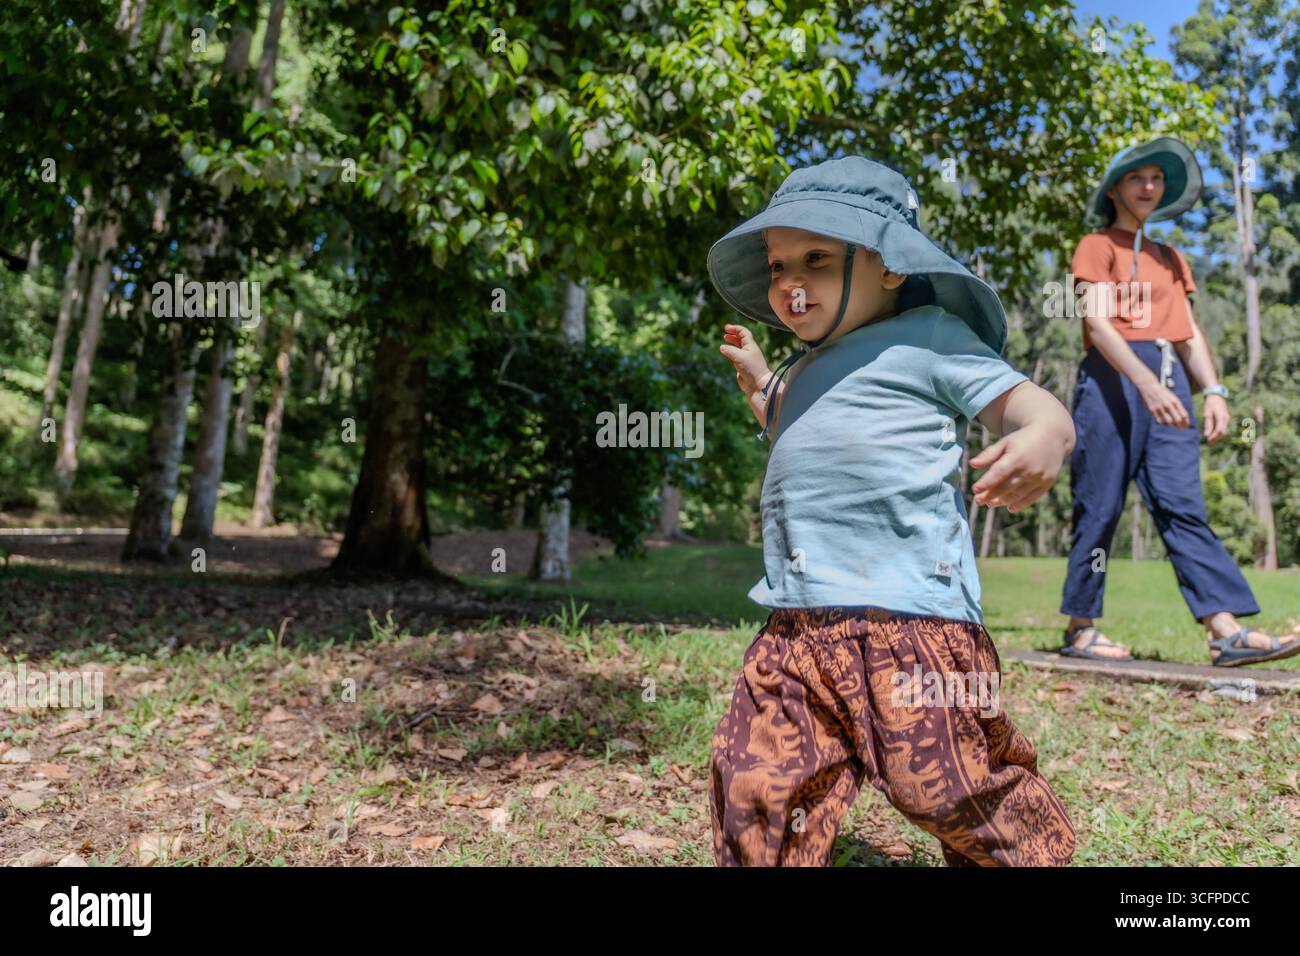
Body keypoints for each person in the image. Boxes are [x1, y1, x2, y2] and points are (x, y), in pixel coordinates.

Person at [706, 155, 1077, 866]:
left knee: (946, 785)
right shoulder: (806, 367)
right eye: (778, 265)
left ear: (891, 266)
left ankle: (1021, 853)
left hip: (908, 622)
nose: (789, 283)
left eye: (815, 258)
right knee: (755, 780)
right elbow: (794, 428)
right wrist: (760, 380)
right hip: (797, 623)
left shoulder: (929, 338)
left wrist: (1045, 436)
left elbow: (1030, 405)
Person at [1058, 136, 1300, 667]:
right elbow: (1097, 324)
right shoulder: (1095, 246)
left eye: (1157, 179)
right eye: (1137, 178)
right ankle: (1081, 628)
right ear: (1116, 189)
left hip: (1171, 384)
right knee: (1099, 506)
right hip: (1113, 381)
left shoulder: (1171, 257)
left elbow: (1188, 332)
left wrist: (1212, 391)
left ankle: (1224, 629)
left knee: (1183, 506)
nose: (1149, 186)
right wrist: (1146, 384)